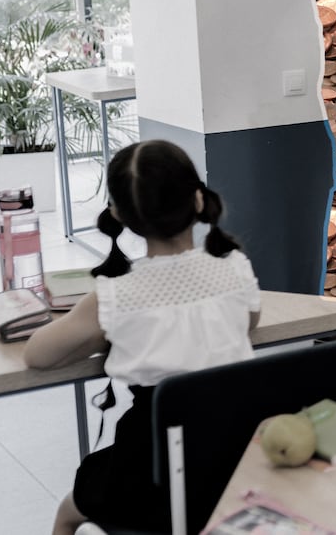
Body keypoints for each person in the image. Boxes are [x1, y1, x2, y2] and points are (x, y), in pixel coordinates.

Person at [24, 140, 261, 535]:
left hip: (149, 477)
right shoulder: (235, 267)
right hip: (235, 460)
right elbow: (248, 324)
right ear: (198, 201)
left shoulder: (115, 294)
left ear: (118, 215)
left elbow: (37, 355)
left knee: (70, 510)